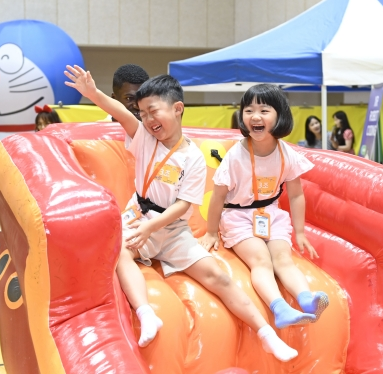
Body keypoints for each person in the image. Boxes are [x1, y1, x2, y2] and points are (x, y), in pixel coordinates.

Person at [65, 66, 298, 362]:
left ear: (177, 109)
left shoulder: (193, 157)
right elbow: (120, 112)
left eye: (153, 111)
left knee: (218, 276)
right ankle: (146, 313)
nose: (148, 119)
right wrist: (92, 93)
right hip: (139, 218)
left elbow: (183, 206)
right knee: (117, 249)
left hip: (174, 230)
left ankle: (267, 334)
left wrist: (152, 230)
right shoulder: (143, 138)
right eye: (143, 113)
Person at [200, 84, 329, 332]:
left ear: (280, 116)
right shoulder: (236, 156)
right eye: (248, 110)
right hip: (238, 216)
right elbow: (217, 197)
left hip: (271, 214)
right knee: (261, 260)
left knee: (283, 259)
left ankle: (307, 300)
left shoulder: (286, 153)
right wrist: (211, 232)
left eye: (264, 110)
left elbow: (296, 194)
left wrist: (300, 232)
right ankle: (280, 309)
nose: (255, 116)